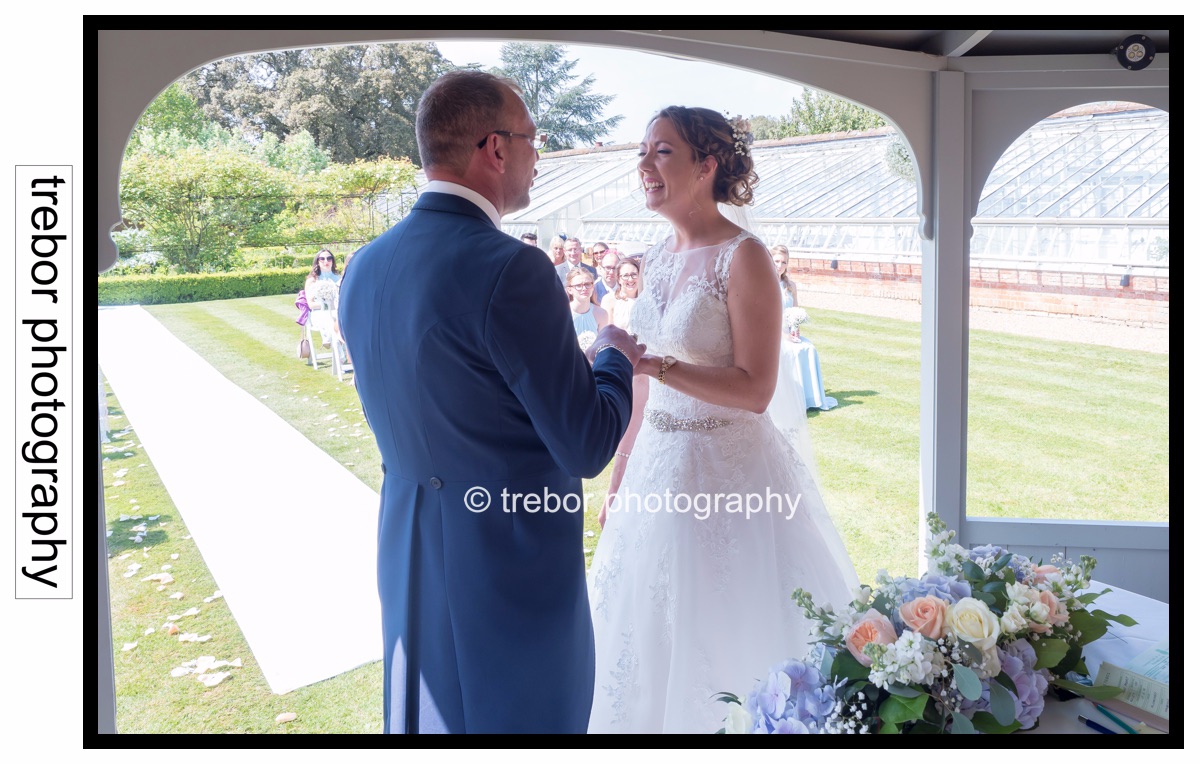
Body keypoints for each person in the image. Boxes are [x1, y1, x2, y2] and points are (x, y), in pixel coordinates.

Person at [338, 70, 643, 734]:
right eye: (534, 138)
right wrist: (614, 354)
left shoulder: (364, 264)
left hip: (409, 547)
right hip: (506, 562)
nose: (538, 154)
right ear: (495, 148)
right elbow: (586, 442)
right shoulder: (511, 267)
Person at [586, 106, 858, 734]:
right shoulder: (653, 259)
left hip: (731, 473)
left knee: (730, 621)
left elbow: (757, 388)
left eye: (661, 152)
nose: (644, 166)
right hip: (657, 467)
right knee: (643, 625)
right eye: (643, 152)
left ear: (706, 165)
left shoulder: (745, 257)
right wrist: (619, 470)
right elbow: (640, 390)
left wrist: (656, 365)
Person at [599, 256, 648, 521]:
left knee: (640, 435)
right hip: (623, 371)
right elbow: (605, 335)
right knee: (624, 436)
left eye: (633, 274)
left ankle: (629, 500)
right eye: (625, 275)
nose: (629, 279)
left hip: (645, 376)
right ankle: (610, 504)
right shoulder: (610, 302)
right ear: (617, 278)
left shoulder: (648, 302)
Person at [303, 249, 345, 360]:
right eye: (322, 258)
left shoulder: (339, 278)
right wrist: (326, 304)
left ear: (332, 261)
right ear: (317, 261)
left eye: (329, 258)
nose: (326, 261)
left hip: (336, 311)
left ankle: (338, 347)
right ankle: (340, 357)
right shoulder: (312, 280)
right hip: (319, 313)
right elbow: (311, 304)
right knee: (329, 319)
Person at [566, 266, 609, 341]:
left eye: (587, 284)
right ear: (570, 290)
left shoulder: (601, 314)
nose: (584, 288)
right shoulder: (563, 314)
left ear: (593, 287)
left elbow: (603, 343)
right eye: (578, 286)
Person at [771, 243, 799, 309]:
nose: (780, 266)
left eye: (784, 262)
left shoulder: (791, 286)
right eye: (777, 261)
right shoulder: (761, 285)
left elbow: (795, 310)